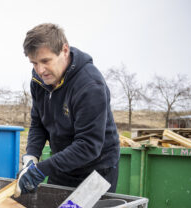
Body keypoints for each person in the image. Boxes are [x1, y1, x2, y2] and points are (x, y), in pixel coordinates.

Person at [16, 23, 120, 198]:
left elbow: (88, 146)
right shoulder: (39, 81)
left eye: (45, 61)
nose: (40, 70)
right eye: (34, 63)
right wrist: (32, 155)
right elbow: (38, 122)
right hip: (63, 164)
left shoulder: (89, 86)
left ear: (64, 50)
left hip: (95, 170)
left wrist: (42, 170)